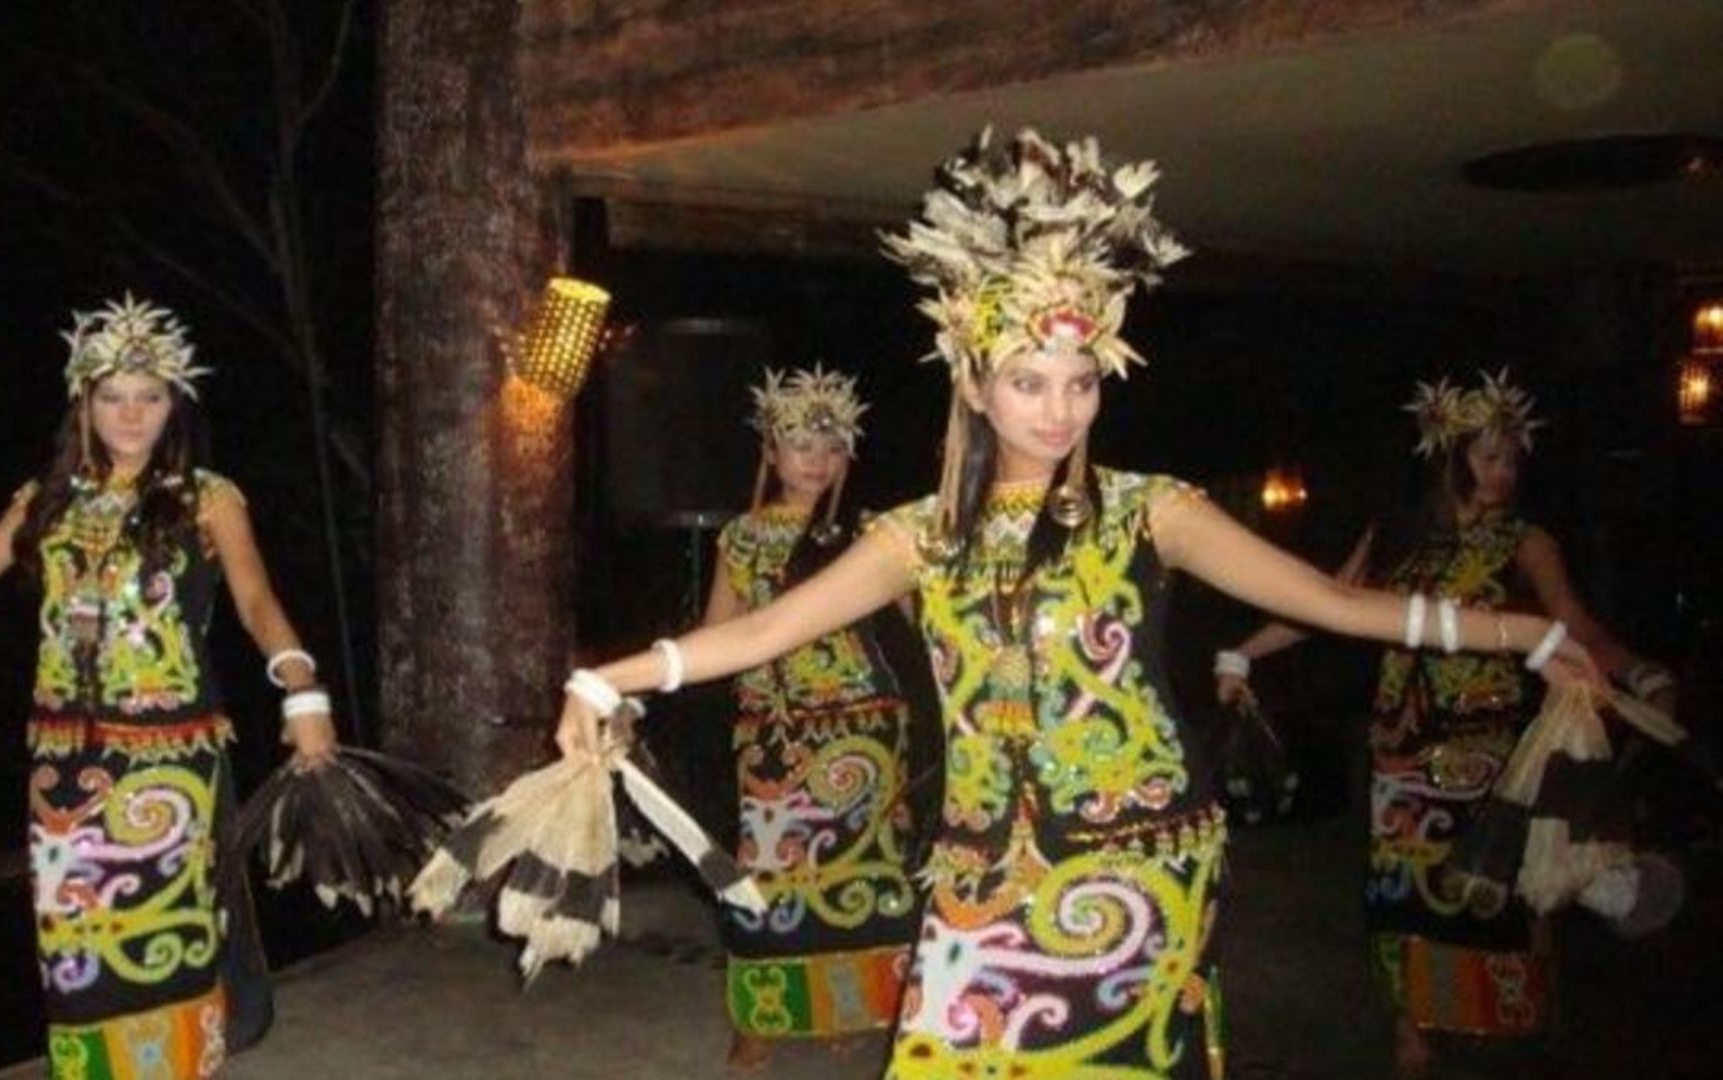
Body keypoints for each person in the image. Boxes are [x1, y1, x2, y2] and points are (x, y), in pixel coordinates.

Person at [551, 128, 1601, 1079]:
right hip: (978, 868)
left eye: (1080, 380)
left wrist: (1526, 630)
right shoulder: (917, 535)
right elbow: (763, 631)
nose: (1059, 410)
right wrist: (609, 677)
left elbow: (1338, 604)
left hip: (1140, 867)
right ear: (972, 381)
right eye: (1028, 380)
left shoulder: (1156, 512)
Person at [0, 295, 338, 1079]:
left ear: (175, 403)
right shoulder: (43, 502)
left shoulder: (210, 498)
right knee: (77, 956)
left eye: (149, 397)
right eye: (112, 397)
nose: (131, 415)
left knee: (169, 952)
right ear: (83, 404)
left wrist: (302, 691)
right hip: (63, 768)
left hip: (170, 762)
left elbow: (257, 602)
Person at [1212, 370, 1675, 1074]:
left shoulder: (1526, 541)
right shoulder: (1398, 535)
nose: (1504, 472)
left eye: (1513, 458)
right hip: (1401, 751)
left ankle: (1524, 1026)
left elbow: (1571, 620)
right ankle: (1412, 1034)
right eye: (1489, 457)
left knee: (1501, 892)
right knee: (1398, 901)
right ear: (1451, 457)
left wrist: (1640, 671)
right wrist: (1242, 654)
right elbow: (1325, 602)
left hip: (1490, 751)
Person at [706, 366, 925, 1066]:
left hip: (866, 727)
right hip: (775, 735)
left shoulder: (870, 532)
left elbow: (911, 628)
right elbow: (718, 627)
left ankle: (848, 1006)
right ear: (770, 451)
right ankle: (762, 1016)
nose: (816, 459)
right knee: (768, 880)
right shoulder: (741, 537)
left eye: (831, 446)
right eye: (799, 444)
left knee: (867, 884)